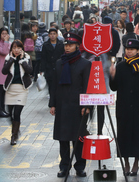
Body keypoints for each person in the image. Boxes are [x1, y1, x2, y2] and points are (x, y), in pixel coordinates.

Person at [49, 33, 91, 178]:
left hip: (78, 107)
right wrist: (52, 104)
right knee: (63, 138)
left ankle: (80, 166)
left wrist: (87, 106)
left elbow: (87, 87)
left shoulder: (85, 64)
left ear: (77, 46)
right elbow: (54, 85)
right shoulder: (59, 63)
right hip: (62, 106)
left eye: (70, 45)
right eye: (66, 45)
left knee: (79, 139)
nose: (67, 48)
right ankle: (64, 167)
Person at [109, 39, 139, 176]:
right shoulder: (120, 66)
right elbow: (114, 88)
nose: (129, 51)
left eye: (132, 49)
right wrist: (112, 76)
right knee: (123, 135)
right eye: (127, 49)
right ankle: (126, 162)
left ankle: (136, 163)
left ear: (138, 50)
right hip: (124, 107)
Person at [2, 40, 32, 145]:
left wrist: (22, 60)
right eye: (14, 48)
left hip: (22, 89)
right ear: (11, 49)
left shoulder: (26, 57)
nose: (16, 50)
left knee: (17, 113)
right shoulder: (8, 58)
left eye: (19, 48)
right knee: (10, 114)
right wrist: (12, 59)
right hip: (10, 89)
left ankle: (13, 136)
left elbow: (30, 71)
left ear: (22, 49)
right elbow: (4, 71)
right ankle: (16, 129)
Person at [40, 28, 64, 101]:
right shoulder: (45, 45)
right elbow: (43, 58)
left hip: (59, 67)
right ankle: (52, 100)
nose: (52, 36)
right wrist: (42, 69)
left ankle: (57, 99)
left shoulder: (61, 44)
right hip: (49, 68)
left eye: (54, 34)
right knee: (50, 85)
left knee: (58, 85)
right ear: (48, 35)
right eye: (51, 34)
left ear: (57, 35)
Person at [0, 27, 11, 118]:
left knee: (5, 91)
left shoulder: (9, 43)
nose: (4, 35)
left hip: (8, 69)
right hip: (0, 70)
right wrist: (6, 42)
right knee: (0, 90)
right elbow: (4, 52)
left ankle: (3, 109)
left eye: (6, 33)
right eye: (2, 33)